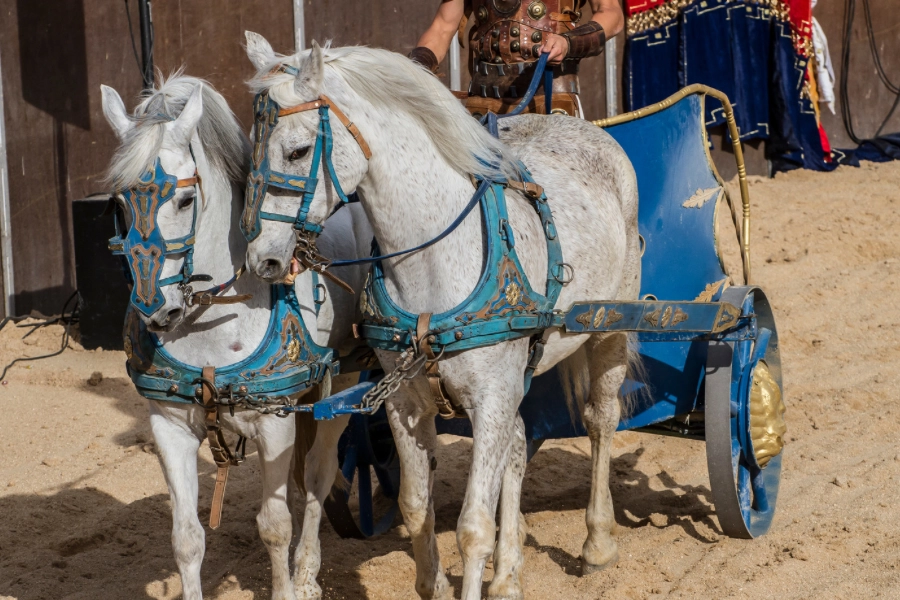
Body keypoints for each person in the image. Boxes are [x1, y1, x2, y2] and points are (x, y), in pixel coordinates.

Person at [410, 0, 625, 117]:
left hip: (549, 102)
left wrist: (569, 42)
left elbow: (612, 15)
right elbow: (441, 28)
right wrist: (411, 68)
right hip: (483, 105)